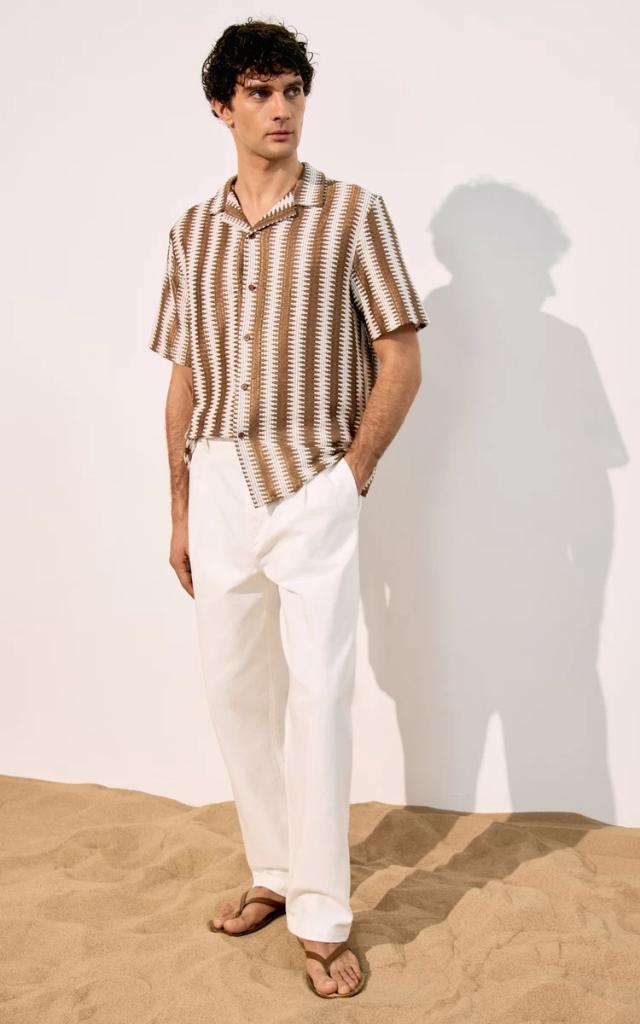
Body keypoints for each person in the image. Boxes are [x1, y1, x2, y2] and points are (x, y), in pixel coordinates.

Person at [148, 17, 430, 999]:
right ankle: (273, 868)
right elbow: (185, 377)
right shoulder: (191, 231)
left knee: (318, 698)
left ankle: (321, 915)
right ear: (221, 106)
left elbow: (401, 357)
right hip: (219, 479)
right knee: (235, 692)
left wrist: (351, 474)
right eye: (260, 92)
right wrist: (180, 507)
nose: (281, 109)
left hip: (313, 478)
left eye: (292, 91)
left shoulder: (354, 213)